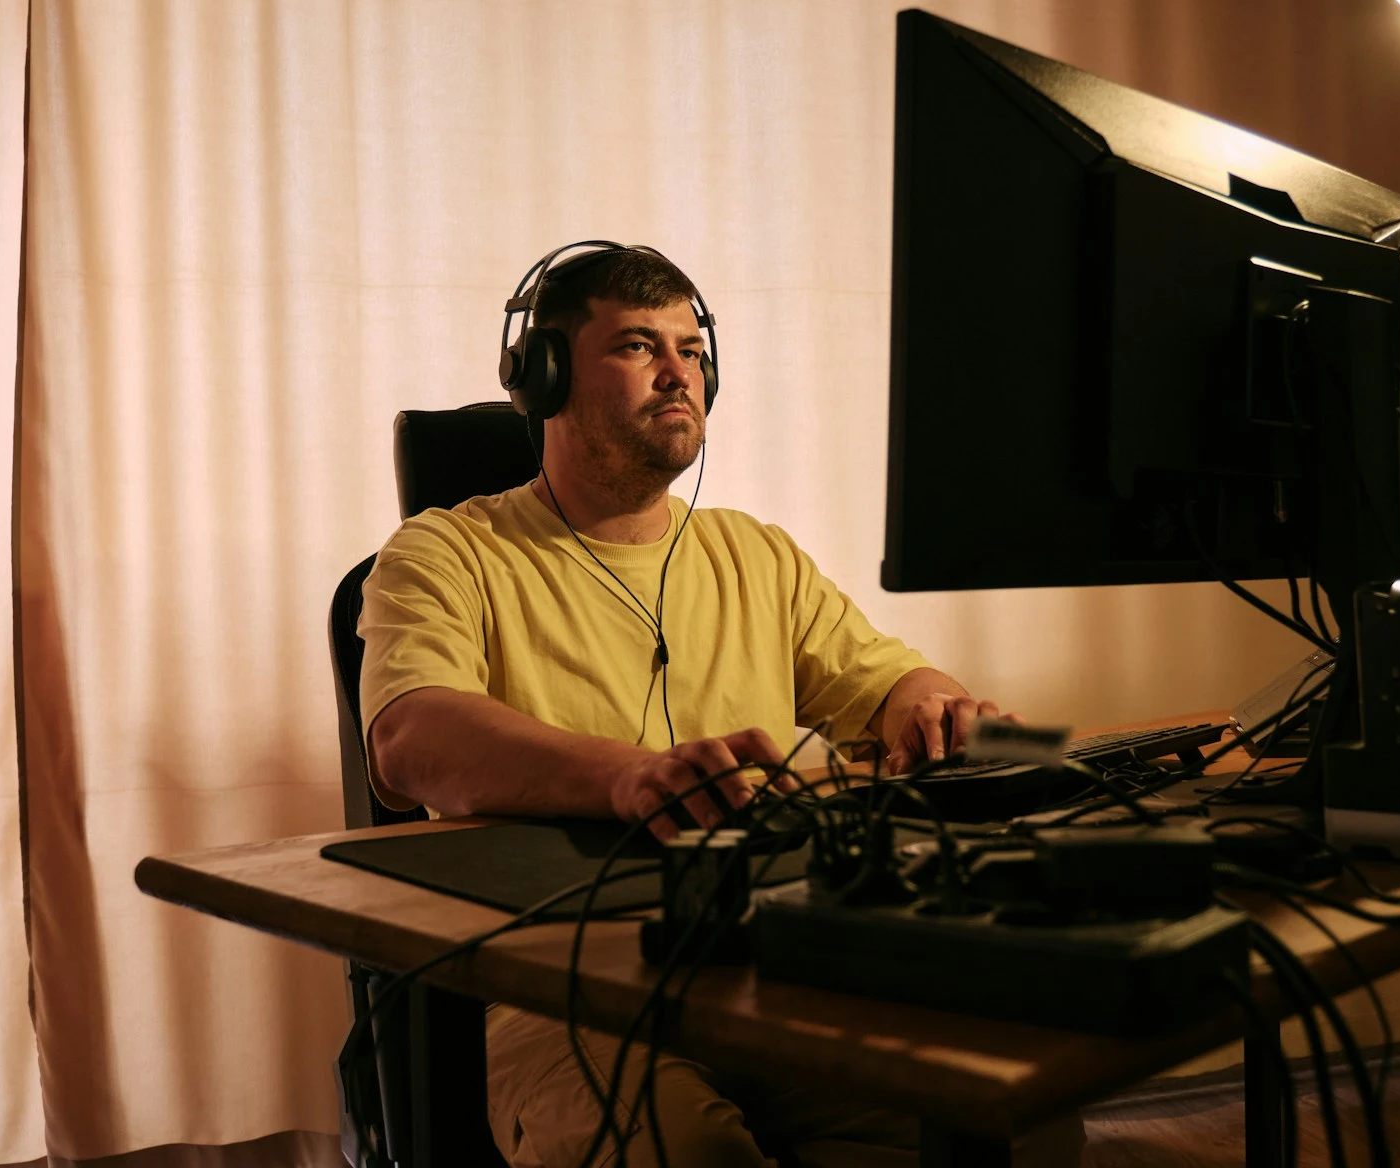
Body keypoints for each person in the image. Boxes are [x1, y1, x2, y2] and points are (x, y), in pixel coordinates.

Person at [356, 244, 1026, 1167]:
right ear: (542, 377)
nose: (681, 374)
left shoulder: (756, 555)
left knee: (1004, 1117)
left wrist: (939, 710)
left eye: (693, 350)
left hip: (768, 964)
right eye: (638, 346)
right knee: (686, 1154)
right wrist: (632, 778)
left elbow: (891, 682)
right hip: (558, 983)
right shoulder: (446, 552)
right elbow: (409, 737)